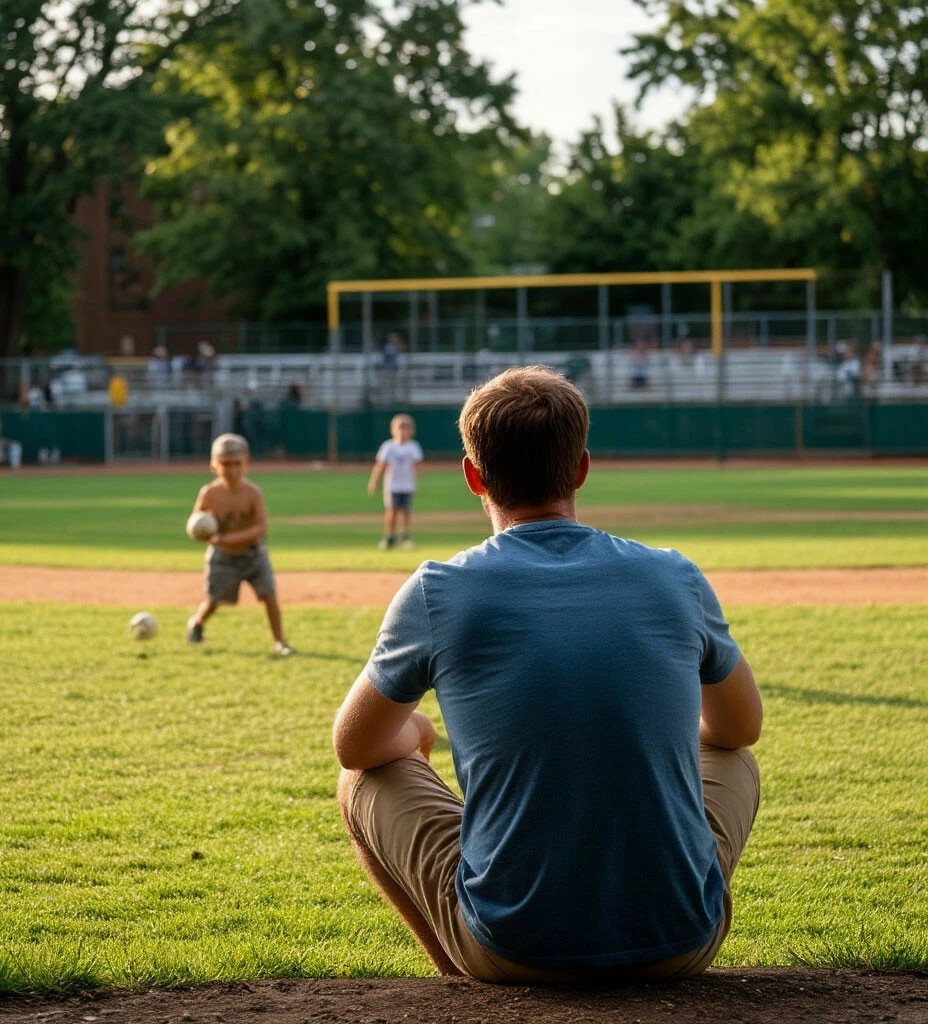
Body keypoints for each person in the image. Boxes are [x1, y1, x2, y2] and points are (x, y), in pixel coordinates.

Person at [334, 365, 762, 983]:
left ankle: (465, 982)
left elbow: (354, 745)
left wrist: (417, 735)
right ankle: (658, 902)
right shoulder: (675, 575)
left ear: (472, 475)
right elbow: (739, 728)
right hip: (682, 944)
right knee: (734, 756)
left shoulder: (438, 590)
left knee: (357, 782)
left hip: (512, 950)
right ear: (582, 468)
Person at [185, 433, 295, 655]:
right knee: (215, 600)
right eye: (225, 464)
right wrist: (200, 529)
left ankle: (280, 642)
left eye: (237, 464)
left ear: (246, 464)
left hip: (254, 555)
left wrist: (227, 538)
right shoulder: (209, 493)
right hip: (222, 558)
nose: (231, 470)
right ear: (214, 465)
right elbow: (196, 521)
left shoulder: (252, 493)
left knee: (269, 596)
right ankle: (196, 622)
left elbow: (261, 528)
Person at [367, 413, 424, 550]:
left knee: (405, 510)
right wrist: (374, 481)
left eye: (406, 428)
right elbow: (380, 465)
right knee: (392, 510)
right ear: (393, 429)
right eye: (400, 427)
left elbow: (417, 465)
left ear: (411, 430)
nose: (403, 431)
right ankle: (389, 536)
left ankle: (404, 535)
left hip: (407, 485)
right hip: (393, 485)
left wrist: (416, 477)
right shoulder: (388, 447)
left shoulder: (413, 447)